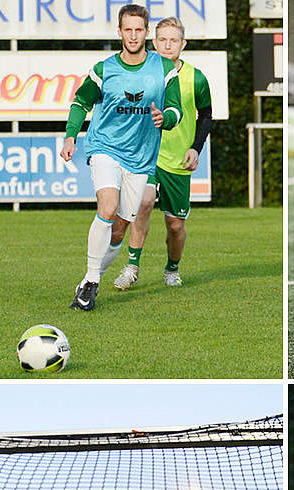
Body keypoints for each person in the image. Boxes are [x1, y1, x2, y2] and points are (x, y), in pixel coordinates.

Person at [61, 3, 183, 311]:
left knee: (119, 227)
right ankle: (91, 280)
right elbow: (80, 103)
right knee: (108, 205)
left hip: (141, 159)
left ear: (146, 33)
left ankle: (90, 281)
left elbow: (176, 109)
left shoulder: (165, 69)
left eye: (138, 30)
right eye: (127, 29)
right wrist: (71, 135)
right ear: (119, 32)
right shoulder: (105, 69)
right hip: (105, 148)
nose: (132, 35)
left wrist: (164, 119)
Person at [113, 17, 212, 291]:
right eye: (163, 40)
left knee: (175, 226)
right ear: (154, 42)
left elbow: (206, 115)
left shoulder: (196, 78)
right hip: (146, 156)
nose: (168, 45)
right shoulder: (141, 72)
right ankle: (132, 267)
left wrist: (196, 148)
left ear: (183, 44)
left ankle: (172, 269)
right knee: (143, 202)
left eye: (174, 40)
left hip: (178, 161)